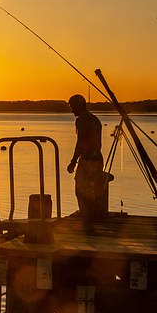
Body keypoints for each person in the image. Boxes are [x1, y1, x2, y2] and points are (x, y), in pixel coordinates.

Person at [66, 94, 104, 231]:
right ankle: (89, 223)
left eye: (72, 107)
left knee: (81, 191)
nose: (71, 110)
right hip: (98, 158)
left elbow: (80, 142)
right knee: (91, 191)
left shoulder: (82, 120)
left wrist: (73, 161)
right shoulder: (95, 119)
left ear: (78, 105)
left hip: (88, 159)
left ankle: (87, 224)